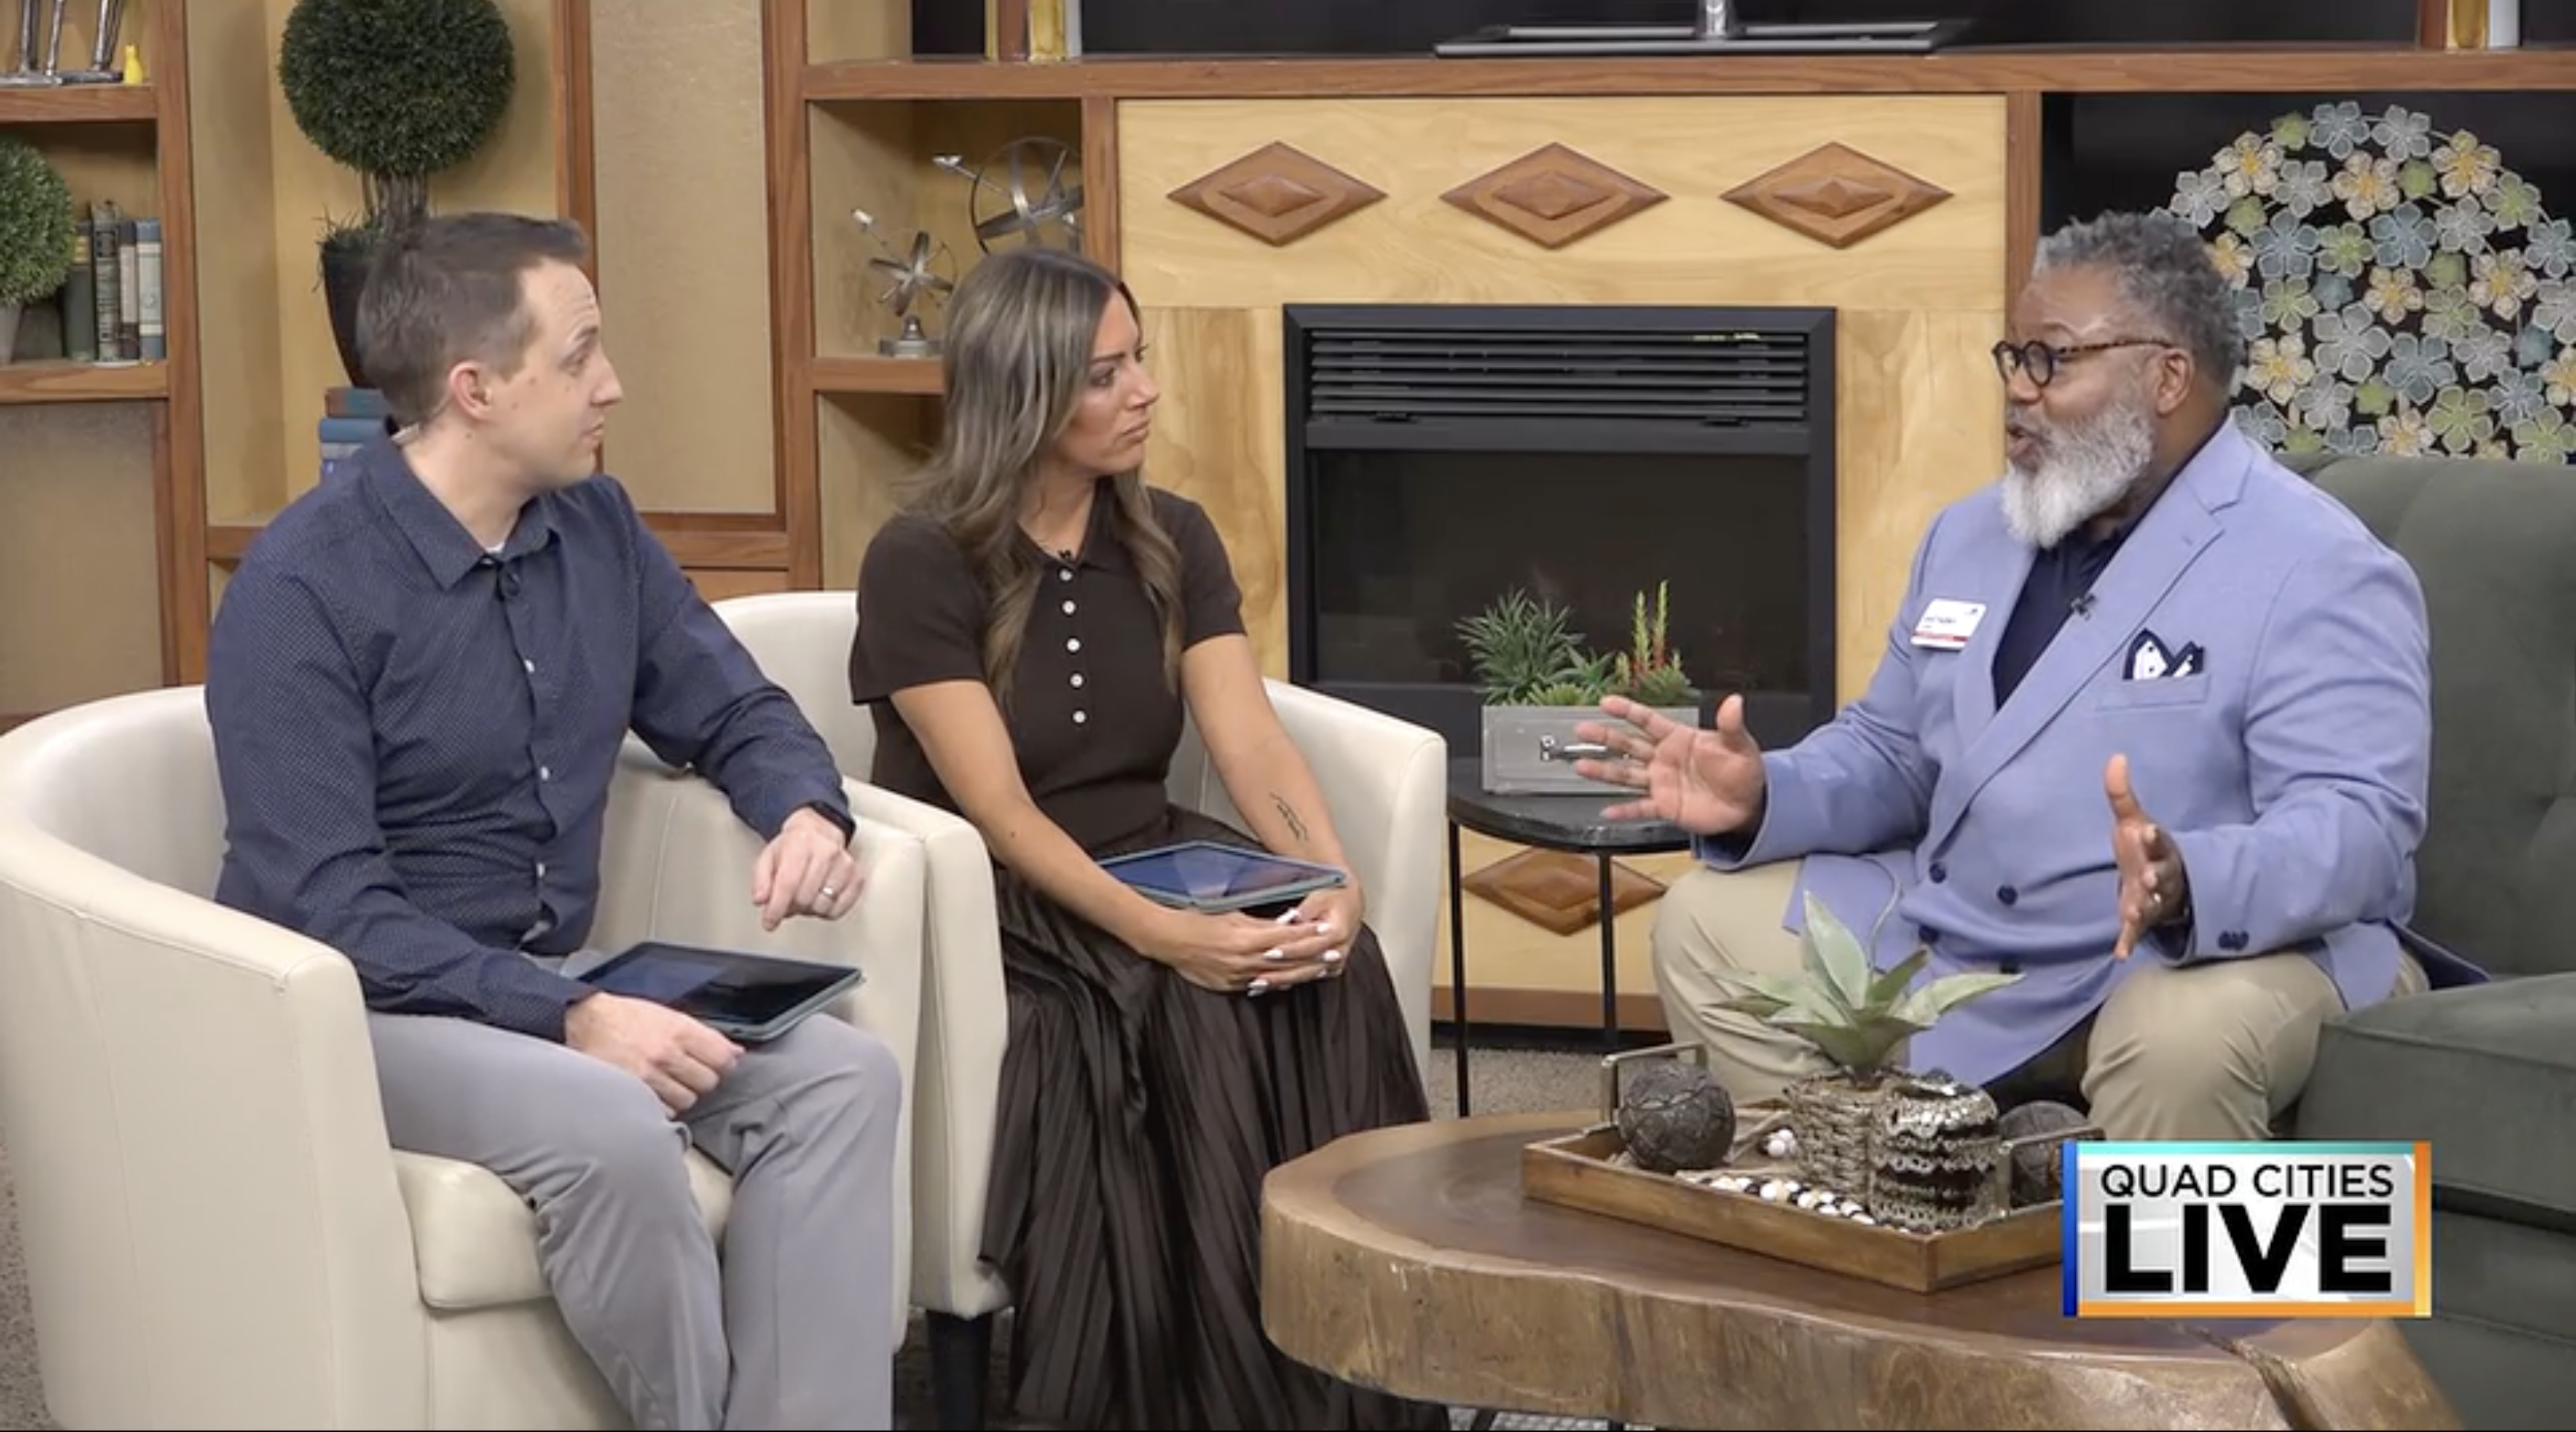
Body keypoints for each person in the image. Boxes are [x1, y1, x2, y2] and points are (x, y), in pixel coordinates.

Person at [205, 212, 904, 1431]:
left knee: (841, 1080)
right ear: (474, 389)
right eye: (579, 355)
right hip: (358, 1008)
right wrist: (571, 1015)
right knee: (611, 1122)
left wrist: (802, 805)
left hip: (550, 977)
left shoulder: (597, 529)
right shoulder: (301, 589)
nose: (612, 384)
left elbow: (730, 702)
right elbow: (329, 906)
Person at [1582, 209, 2477, 1149]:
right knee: (1707, 922)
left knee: (2175, 1038)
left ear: (2166, 375)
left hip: (2199, 951)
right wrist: (1771, 792)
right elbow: (1895, 751)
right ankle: (1872, 1222)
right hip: (1971, 935)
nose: (2017, 391)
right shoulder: (1968, 534)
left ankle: (2188, 1301)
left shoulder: (2317, 562)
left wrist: (2194, 878)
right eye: (2012, 357)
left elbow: (2361, 826)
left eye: (2051, 361)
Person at [847, 247, 1443, 1431]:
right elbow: (1005, 817)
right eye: (1105, 374)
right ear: (1025, 394)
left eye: (1139, 360)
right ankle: (1210, 1395)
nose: (1144, 392)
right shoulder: (923, 560)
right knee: (1180, 1003)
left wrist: (1330, 879)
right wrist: (1169, 936)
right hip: (1007, 901)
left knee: (1331, 968)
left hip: (1158, 847)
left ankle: (1352, 1379)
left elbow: (1251, 743)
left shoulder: (1171, 536)